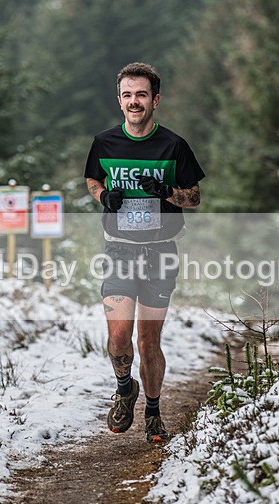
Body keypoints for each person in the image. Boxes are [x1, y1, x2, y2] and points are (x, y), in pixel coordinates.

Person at [84, 62, 204, 443]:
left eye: (141, 94)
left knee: (148, 342)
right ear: (119, 101)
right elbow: (92, 179)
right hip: (119, 250)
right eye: (127, 95)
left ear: (156, 100)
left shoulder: (174, 145)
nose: (134, 101)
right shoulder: (104, 142)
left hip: (160, 253)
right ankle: (125, 390)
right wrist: (104, 196)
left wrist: (167, 192)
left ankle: (153, 412)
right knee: (119, 338)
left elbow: (195, 197)